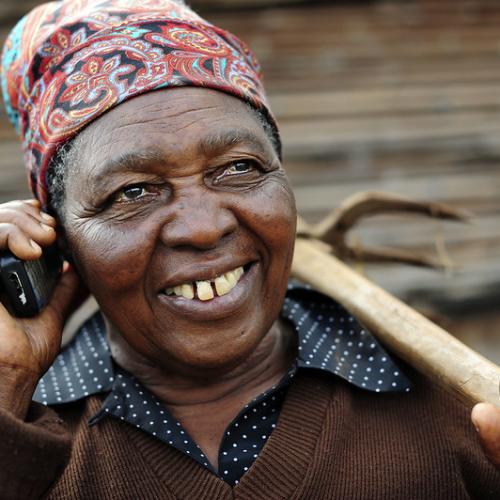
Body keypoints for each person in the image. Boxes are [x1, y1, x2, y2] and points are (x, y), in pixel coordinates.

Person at [0, 0, 499, 498]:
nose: (203, 228)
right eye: (133, 192)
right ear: (56, 234)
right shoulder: (25, 440)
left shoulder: (455, 413)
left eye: (239, 168)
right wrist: (7, 377)